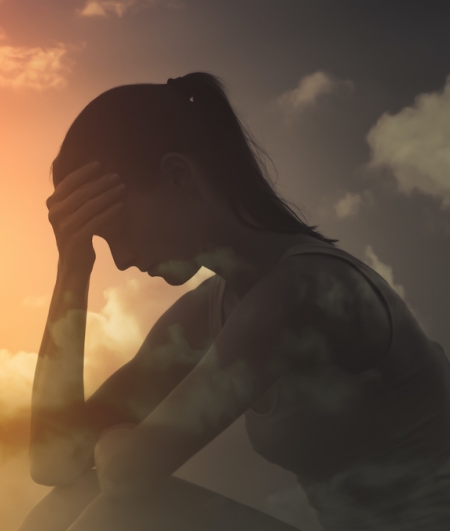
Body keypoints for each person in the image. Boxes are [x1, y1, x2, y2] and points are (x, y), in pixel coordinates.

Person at [22, 73, 450, 531]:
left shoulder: (305, 291)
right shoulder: (209, 311)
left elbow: (130, 476)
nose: (123, 259)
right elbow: (53, 462)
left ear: (179, 176)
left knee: (115, 509)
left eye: (121, 230)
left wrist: (113, 445)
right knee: (72, 500)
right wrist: (72, 267)